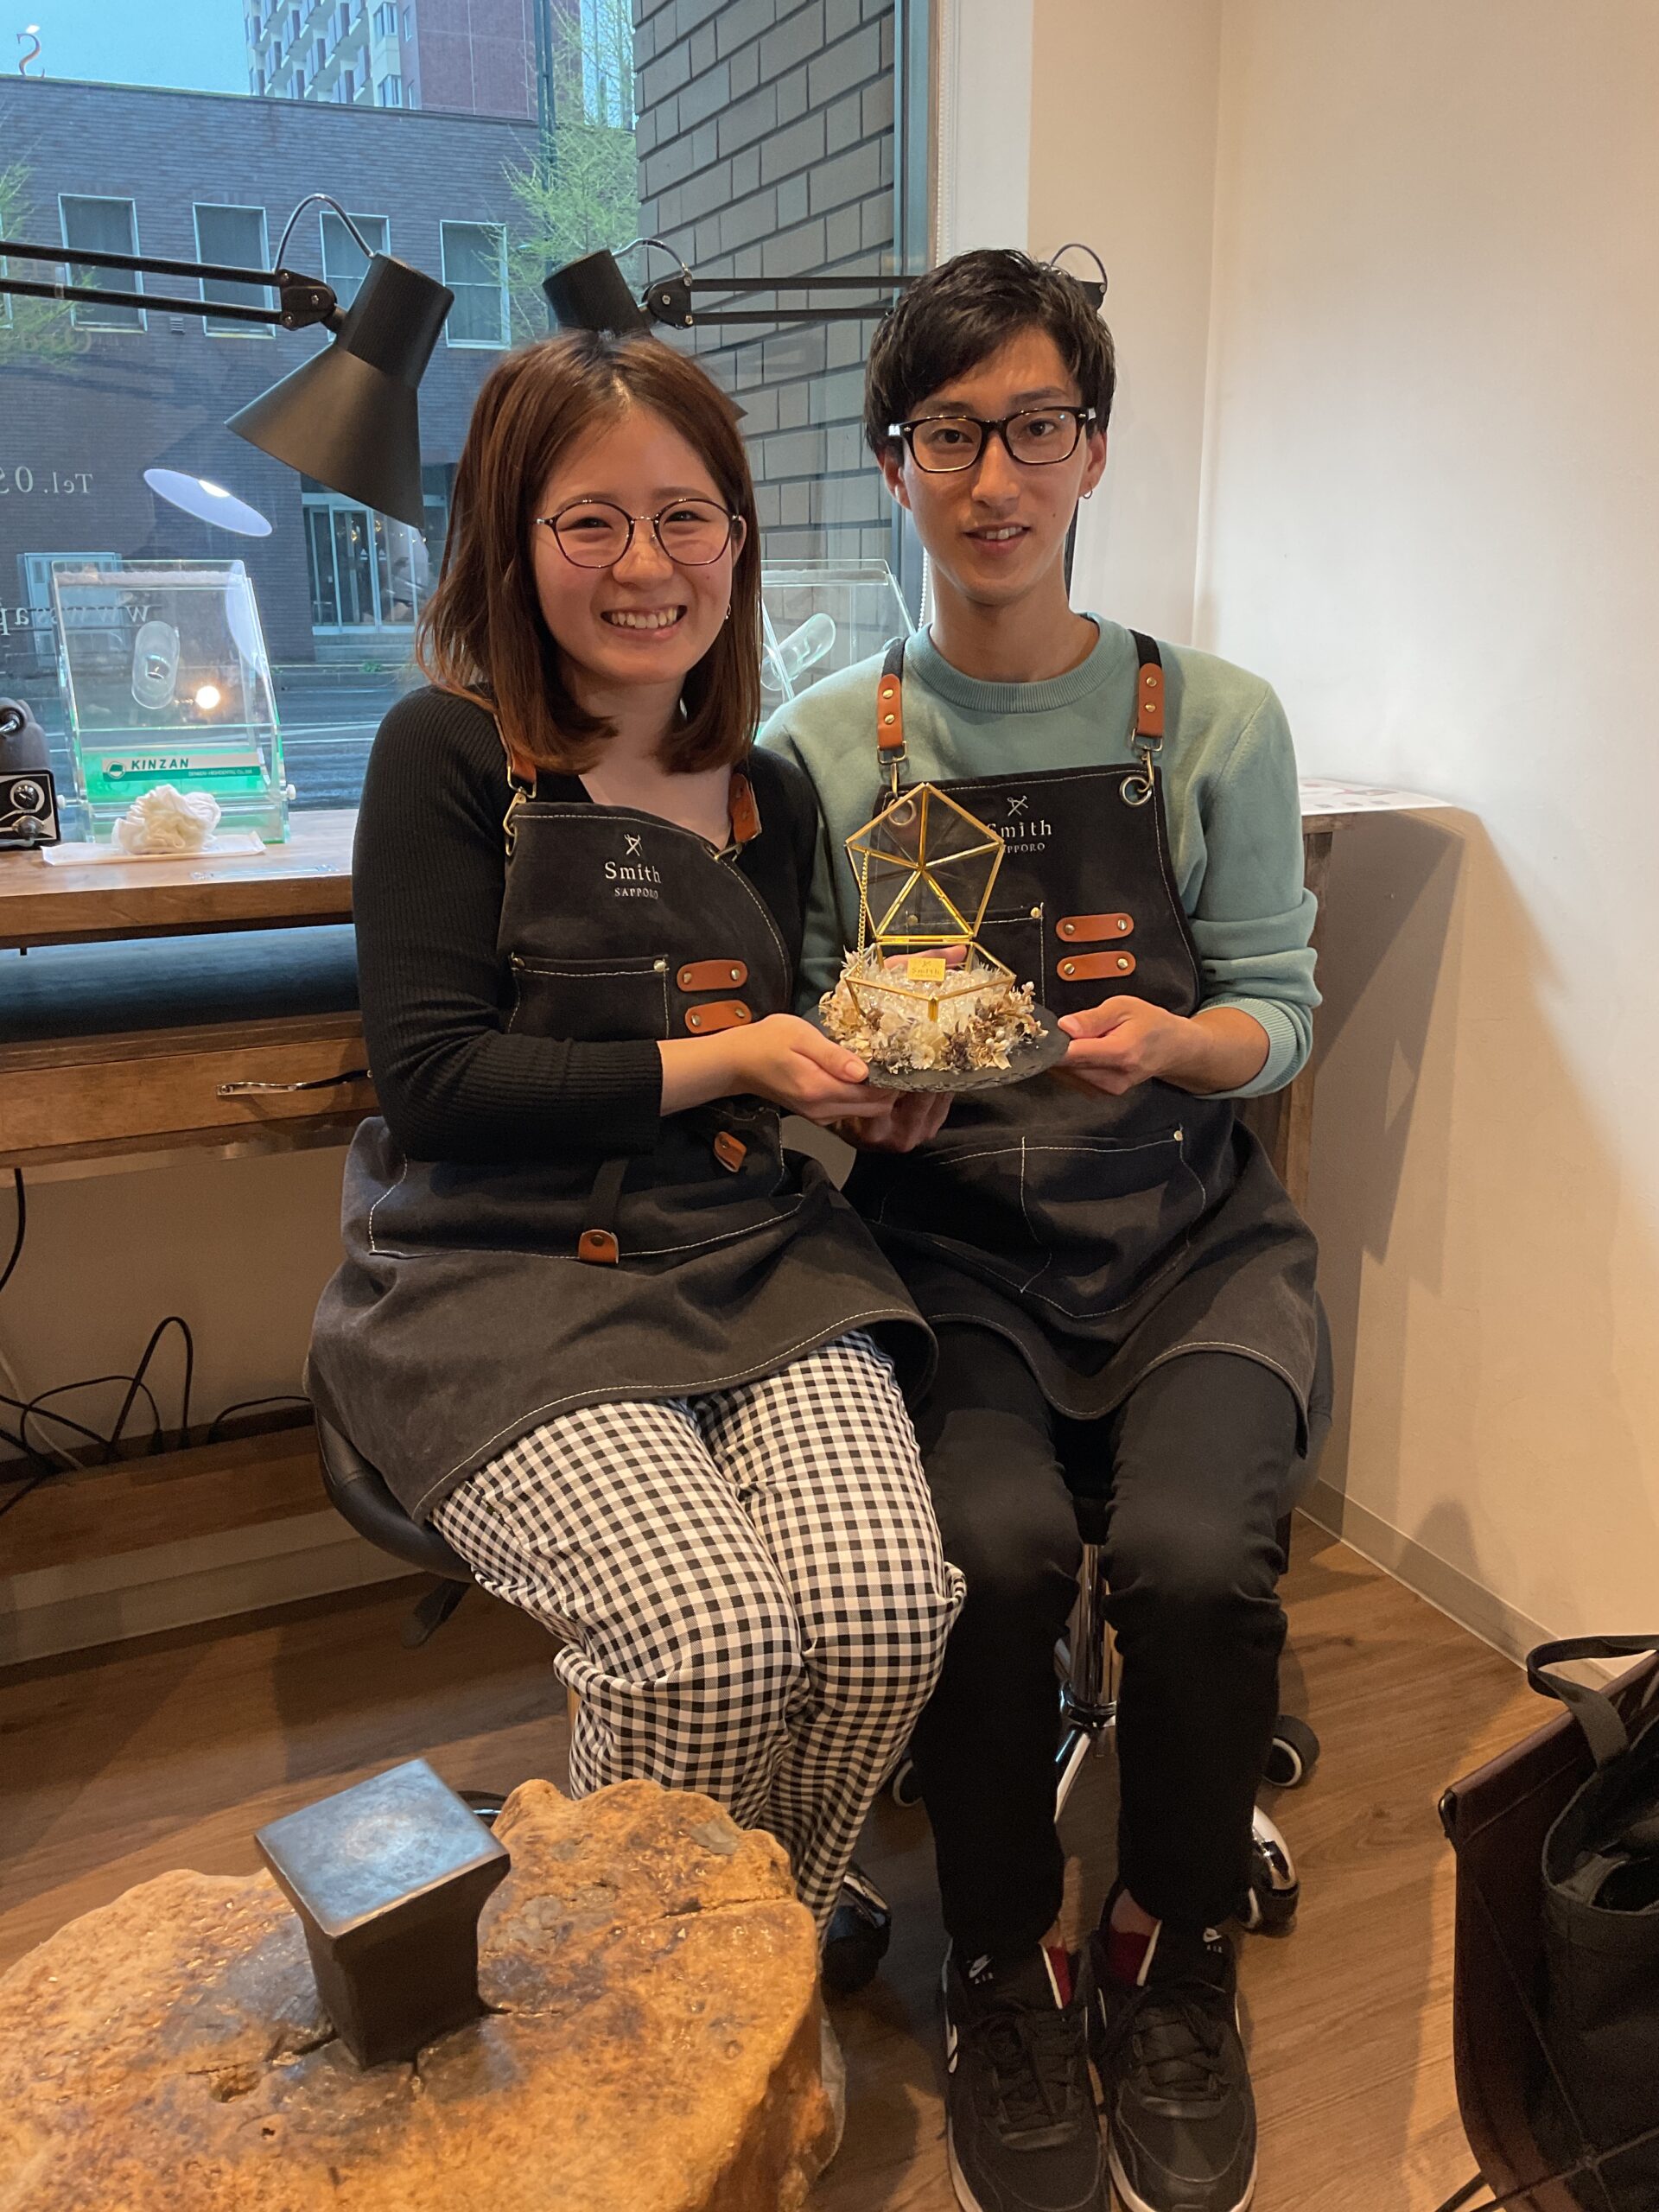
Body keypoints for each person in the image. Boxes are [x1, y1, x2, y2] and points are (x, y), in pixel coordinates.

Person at [761, 250, 1326, 2212]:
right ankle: (1000, 1960)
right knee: (988, 1560)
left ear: (1092, 450)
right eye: (949, 434)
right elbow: (808, 1006)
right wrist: (858, 1087)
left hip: (1190, 1235)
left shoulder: (1216, 719)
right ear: (893, 462)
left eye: (1034, 428)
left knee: (1193, 1560)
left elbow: (1282, 1008)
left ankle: (1174, 1944)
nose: (993, 477)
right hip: (956, 1252)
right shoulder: (826, 745)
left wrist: (1181, 1040)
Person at [308, 332, 963, 1960]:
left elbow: (761, 1068)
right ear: (511, 541)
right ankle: (617, 1989)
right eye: (590, 522)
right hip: (496, 1278)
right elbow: (440, 1084)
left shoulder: (768, 795)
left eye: (686, 518)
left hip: (743, 1254)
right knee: (704, 1644)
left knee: (886, 1613)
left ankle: (749, 1961)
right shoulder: (447, 754)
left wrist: (852, 1090)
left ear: (737, 538)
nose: (647, 565)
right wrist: (731, 1054)